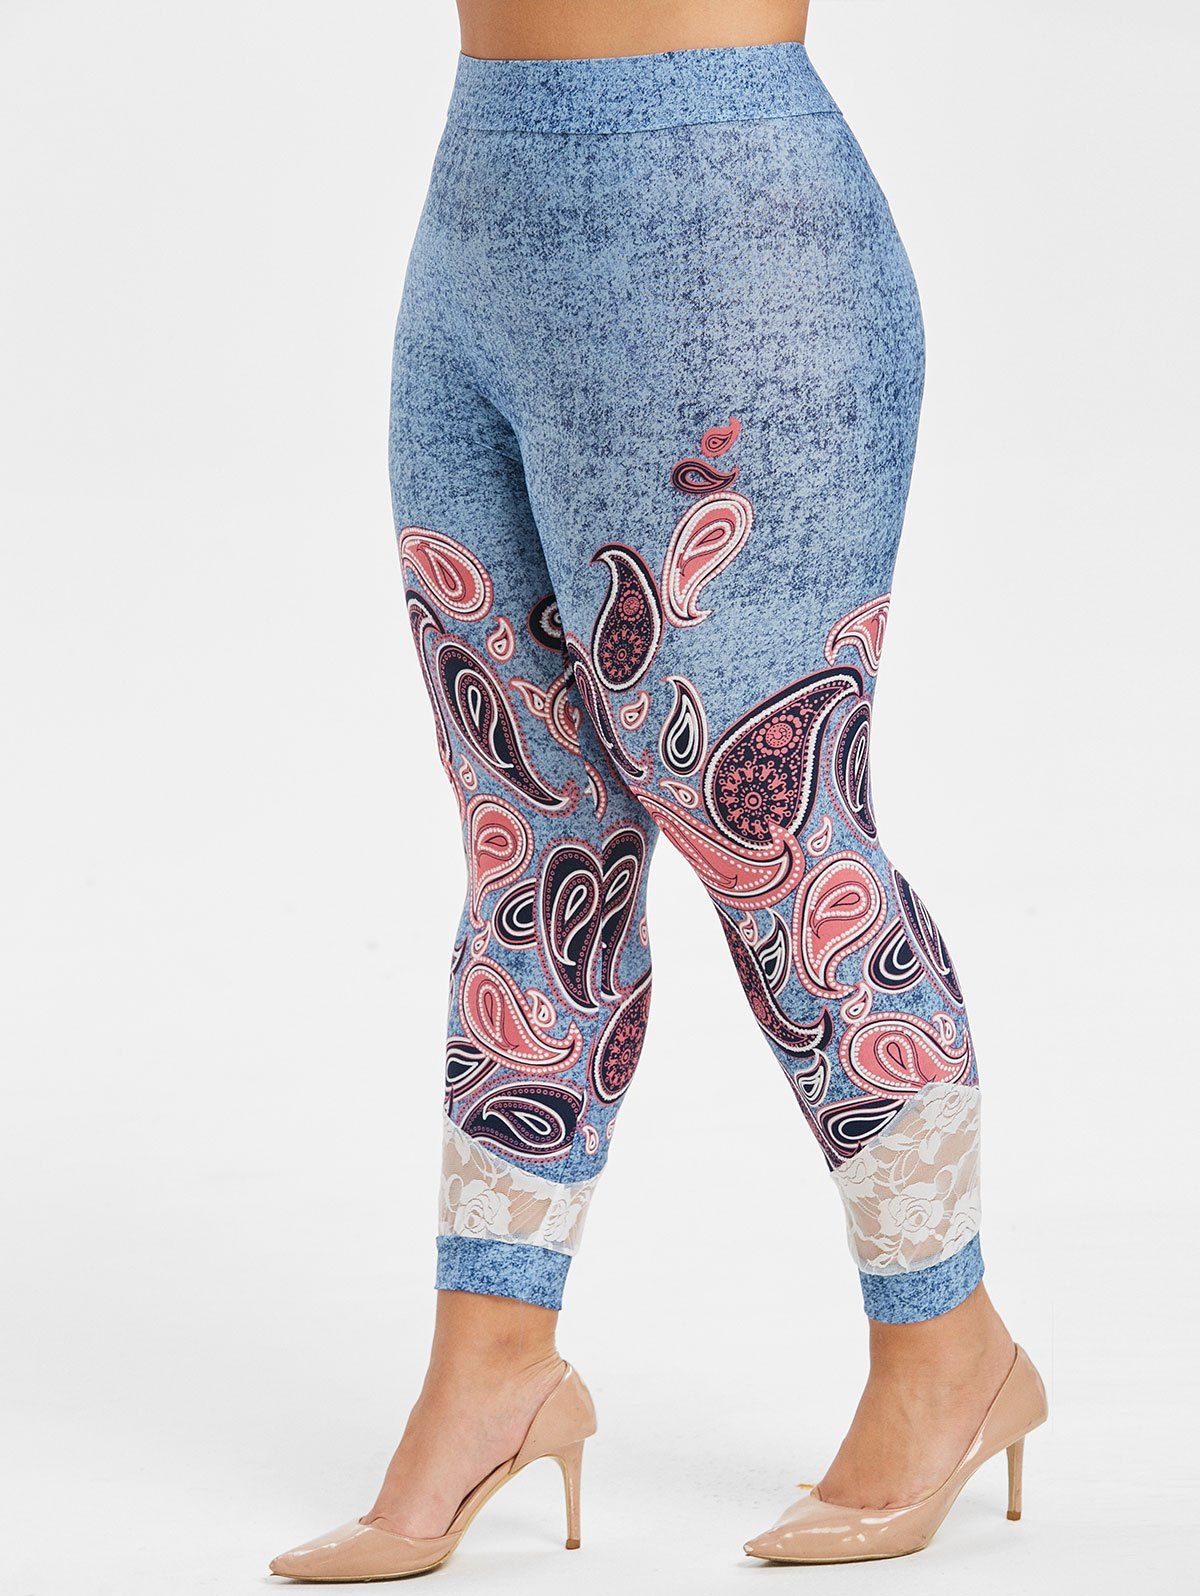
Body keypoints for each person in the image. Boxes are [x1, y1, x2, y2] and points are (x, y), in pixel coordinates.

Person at [270, 0, 1046, 1577]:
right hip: (479, 214)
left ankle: (947, 1350)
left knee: (775, 832)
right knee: (528, 827)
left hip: (721, 225)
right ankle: (493, 1371)